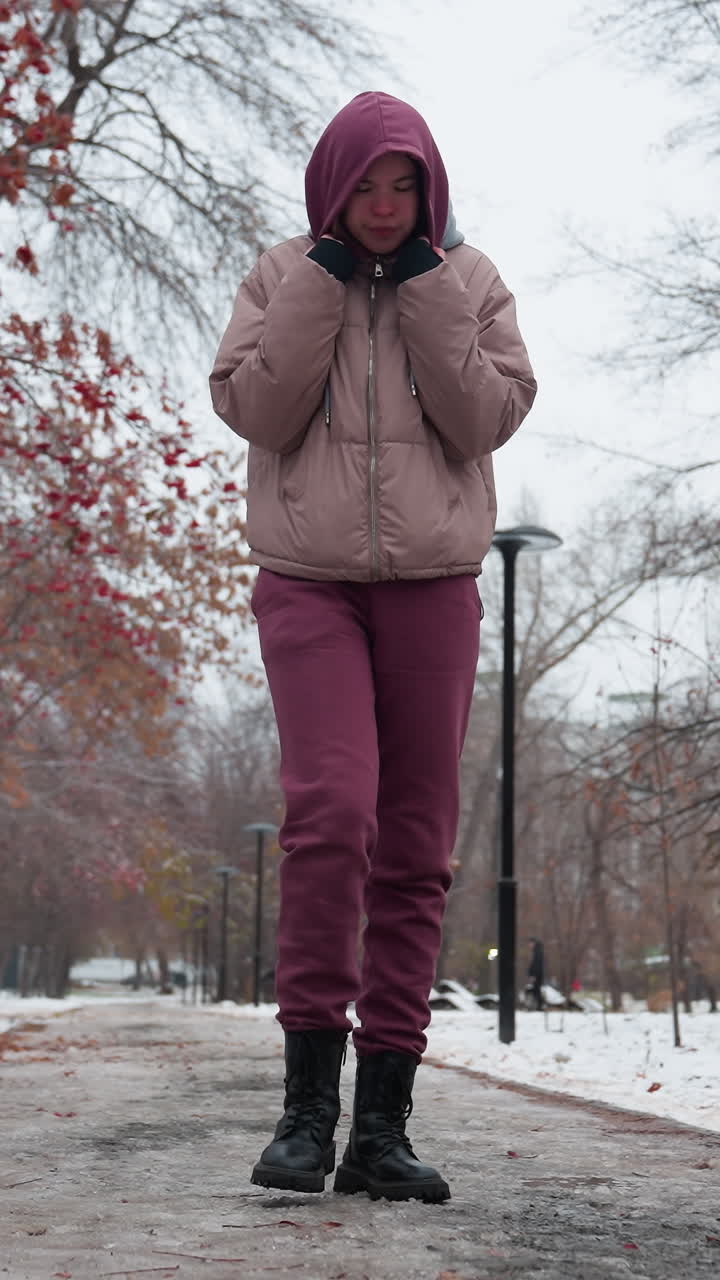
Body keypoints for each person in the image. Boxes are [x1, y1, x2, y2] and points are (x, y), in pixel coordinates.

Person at [210, 91, 536, 1204]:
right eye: (367, 187)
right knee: (333, 808)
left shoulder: (474, 280)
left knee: (415, 843)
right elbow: (257, 407)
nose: (387, 207)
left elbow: (486, 420)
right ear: (334, 189)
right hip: (308, 580)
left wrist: (428, 289)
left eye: (405, 187)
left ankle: (381, 1127)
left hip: (436, 587)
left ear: (429, 192)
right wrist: (327, 276)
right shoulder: (278, 274)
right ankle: (306, 1112)